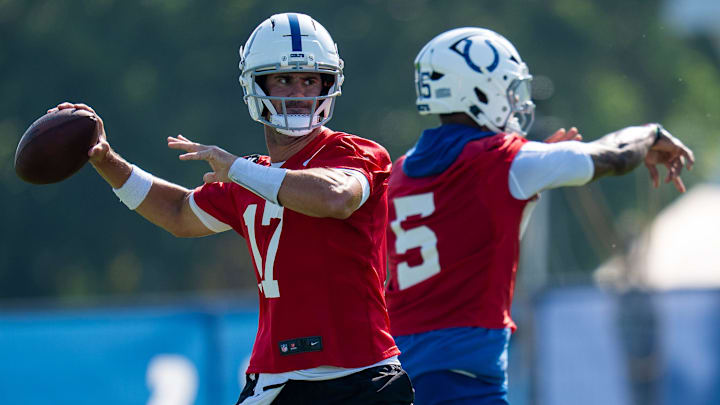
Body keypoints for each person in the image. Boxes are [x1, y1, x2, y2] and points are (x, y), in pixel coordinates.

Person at [50, 12, 413, 405]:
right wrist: (107, 161)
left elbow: (335, 198)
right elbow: (177, 213)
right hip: (277, 380)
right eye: (284, 79)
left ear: (328, 84)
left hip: (362, 377)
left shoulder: (350, 152)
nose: (298, 92)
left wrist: (237, 170)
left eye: (309, 79)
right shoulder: (249, 177)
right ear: (256, 85)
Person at [384, 27, 694, 405]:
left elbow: (466, 235)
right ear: (480, 90)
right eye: (510, 88)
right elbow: (614, 156)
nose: (517, 101)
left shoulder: (401, 170)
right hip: (462, 376)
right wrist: (650, 133)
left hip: (401, 368)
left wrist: (528, 178)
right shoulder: (501, 159)